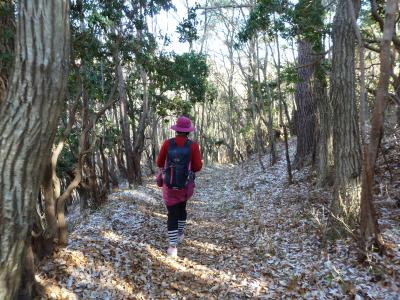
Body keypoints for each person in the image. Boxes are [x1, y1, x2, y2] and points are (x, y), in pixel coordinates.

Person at [156, 116, 202, 257]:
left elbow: (159, 162)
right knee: (182, 208)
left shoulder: (167, 143)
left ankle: (172, 246)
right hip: (185, 185)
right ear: (188, 131)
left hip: (169, 186)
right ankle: (180, 233)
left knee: (172, 214)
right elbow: (197, 167)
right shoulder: (193, 145)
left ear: (176, 129)